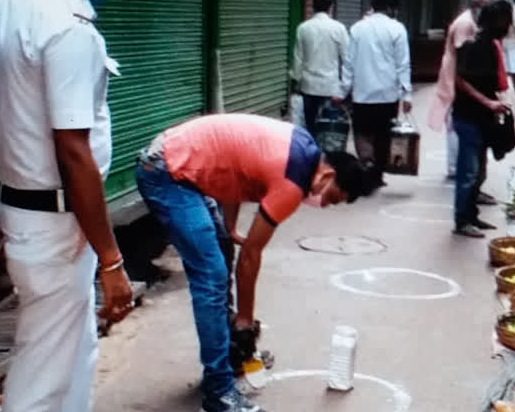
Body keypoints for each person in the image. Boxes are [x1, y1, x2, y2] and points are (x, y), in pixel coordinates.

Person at [0, 0, 148, 410]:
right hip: (55, 223)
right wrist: (112, 260)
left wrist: (4, 197)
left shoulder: (7, 5)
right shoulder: (69, 24)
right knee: (44, 372)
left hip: (30, 211)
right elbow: (73, 151)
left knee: (75, 348)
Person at [135, 114, 381, 412]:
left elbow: (236, 172)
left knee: (222, 252)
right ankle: (220, 395)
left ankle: (229, 357)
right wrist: (245, 322)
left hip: (178, 161)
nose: (324, 205)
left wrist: (229, 227)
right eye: (332, 198)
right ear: (328, 175)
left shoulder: (304, 150)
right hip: (167, 172)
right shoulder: (292, 182)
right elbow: (251, 258)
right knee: (212, 278)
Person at [452, 0, 513, 238]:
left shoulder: (491, 43)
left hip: (482, 117)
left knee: (479, 171)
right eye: (506, 20)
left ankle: (472, 215)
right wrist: (487, 102)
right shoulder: (475, 45)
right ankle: (462, 220)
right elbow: (460, 79)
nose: (509, 26)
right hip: (468, 116)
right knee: (468, 171)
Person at [341, 0, 412, 182]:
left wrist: (342, 90)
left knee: (362, 132)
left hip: (362, 94)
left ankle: (367, 163)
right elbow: (403, 64)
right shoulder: (397, 29)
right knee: (383, 134)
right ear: (390, 8)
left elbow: (349, 63)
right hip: (388, 95)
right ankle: (377, 172)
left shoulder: (357, 28)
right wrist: (407, 95)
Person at [428, 0, 495, 180]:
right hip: (455, 77)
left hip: (457, 76)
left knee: (456, 123)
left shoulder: (470, 20)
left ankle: (457, 166)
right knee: (455, 124)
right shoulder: (465, 23)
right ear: (479, 7)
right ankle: (455, 166)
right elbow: (463, 54)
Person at [291, 0, 350, 135]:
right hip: (330, 87)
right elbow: (347, 58)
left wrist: (295, 81)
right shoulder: (338, 28)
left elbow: (298, 59)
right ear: (330, 8)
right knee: (329, 127)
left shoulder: (303, 28)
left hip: (308, 87)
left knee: (310, 126)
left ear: (313, 8)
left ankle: (312, 154)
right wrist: (345, 87)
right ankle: (326, 154)